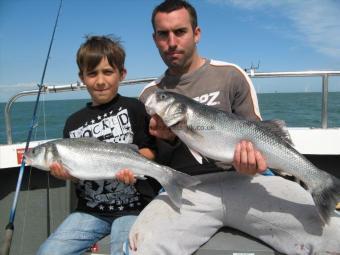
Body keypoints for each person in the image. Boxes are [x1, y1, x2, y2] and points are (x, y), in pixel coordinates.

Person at [125, 1, 340, 254]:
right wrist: (169, 141)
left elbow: (259, 132)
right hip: (187, 188)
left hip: (247, 180)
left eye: (180, 31)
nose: (172, 42)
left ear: (196, 34)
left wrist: (255, 163)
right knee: (140, 246)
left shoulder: (230, 75)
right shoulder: (151, 94)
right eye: (163, 34)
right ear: (154, 38)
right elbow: (156, 161)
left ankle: (322, 183)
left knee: (333, 236)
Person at [37, 35, 159, 255]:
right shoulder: (72, 123)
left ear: (122, 74)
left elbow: (150, 151)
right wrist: (66, 175)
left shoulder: (134, 108)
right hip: (90, 211)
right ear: (82, 77)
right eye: (92, 73)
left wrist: (134, 167)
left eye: (108, 72)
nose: (100, 81)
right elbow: (78, 174)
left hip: (134, 208)